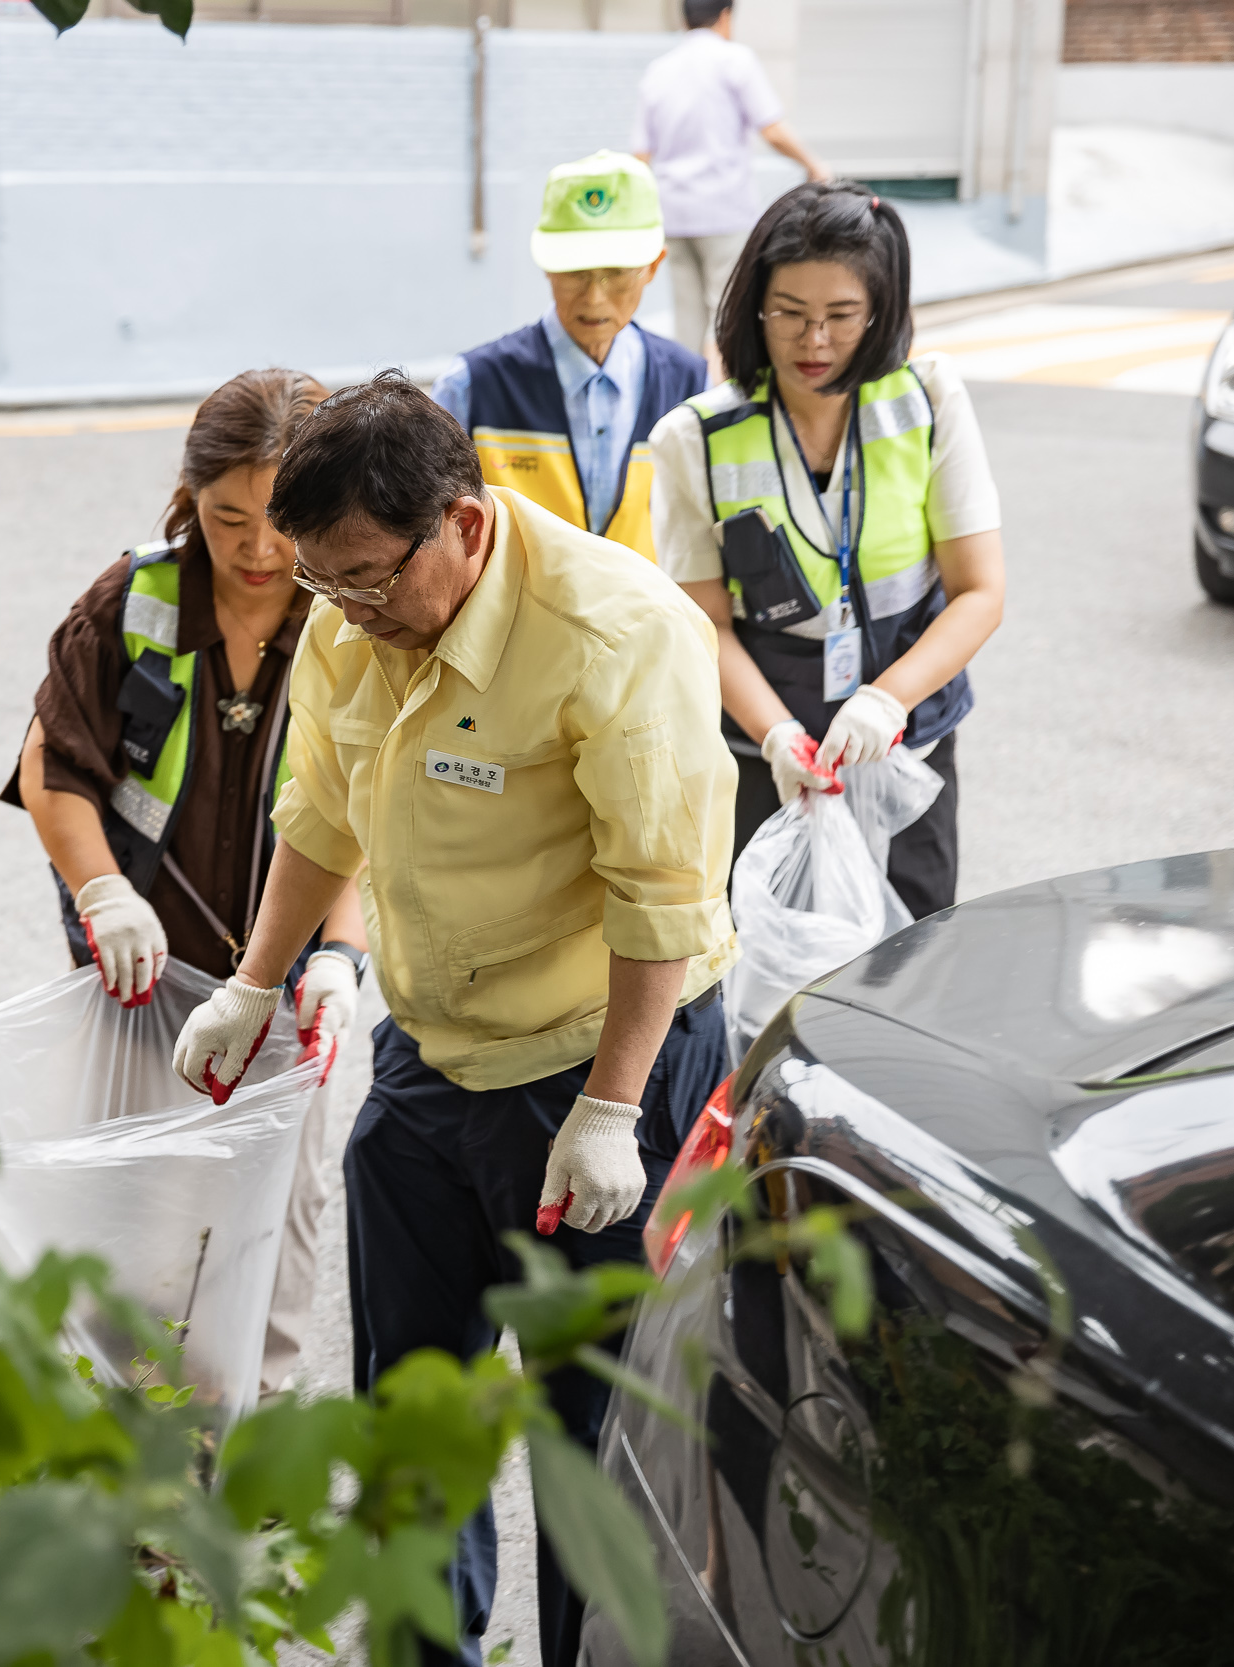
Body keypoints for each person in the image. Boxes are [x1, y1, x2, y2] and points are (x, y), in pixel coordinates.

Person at [169, 374, 736, 1667]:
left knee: (585, 1431)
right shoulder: (348, 615)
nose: (349, 610)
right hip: (431, 1054)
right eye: (326, 585)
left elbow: (662, 897)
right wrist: (255, 980)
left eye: (369, 575)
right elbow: (321, 814)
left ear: (464, 526)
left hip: (601, 1060)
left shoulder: (615, 632)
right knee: (410, 1412)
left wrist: (605, 1113)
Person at [5, 367, 369, 1394]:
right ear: (189, 497)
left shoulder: (352, 618)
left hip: (283, 993)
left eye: (280, 522)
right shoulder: (135, 599)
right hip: (141, 983)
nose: (257, 550)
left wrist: (340, 955)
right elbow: (53, 765)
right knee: (131, 1216)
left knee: (270, 1233)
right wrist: (101, 892)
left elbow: (364, 817)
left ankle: (251, 1454)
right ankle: (125, 1451)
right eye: (226, 518)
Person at [651, 182, 1004, 919]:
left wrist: (886, 700)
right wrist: (776, 734)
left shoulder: (928, 400)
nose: (814, 342)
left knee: (916, 948)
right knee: (772, 963)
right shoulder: (696, 438)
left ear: (881, 312)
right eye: (790, 314)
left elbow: (980, 592)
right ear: (754, 308)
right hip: (765, 750)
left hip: (908, 737)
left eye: (841, 316)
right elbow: (702, 624)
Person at [432, 152, 704, 564]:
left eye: (616, 272)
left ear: (653, 267)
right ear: (546, 267)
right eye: (576, 272)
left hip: (645, 626)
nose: (595, 297)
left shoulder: (690, 384)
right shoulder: (473, 386)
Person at [632, 0, 828, 361]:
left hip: (672, 213)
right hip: (722, 211)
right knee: (730, 310)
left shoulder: (659, 71)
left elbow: (641, 154)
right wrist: (814, 165)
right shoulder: (735, 60)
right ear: (725, 16)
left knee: (687, 317)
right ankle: (730, 402)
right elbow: (772, 129)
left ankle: (685, 400)